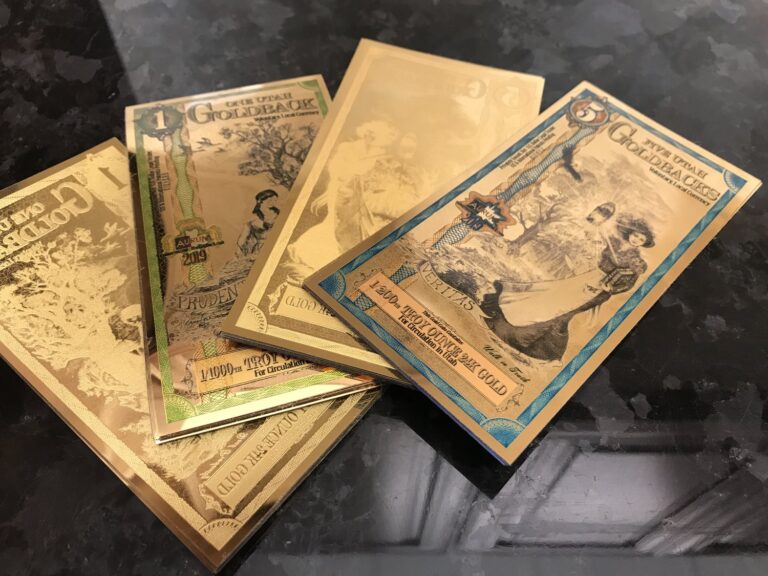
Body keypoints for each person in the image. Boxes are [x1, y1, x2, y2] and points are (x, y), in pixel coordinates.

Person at [481, 212, 653, 362]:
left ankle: (533, 346)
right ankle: (511, 326)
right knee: (551, 299)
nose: (636, 240)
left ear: (644, 243)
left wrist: (610, 289)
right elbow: (596, 238)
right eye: (636, 235)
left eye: (641, 239)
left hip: (599, 290)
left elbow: (629, 283)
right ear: (630, 233)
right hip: (588, 277)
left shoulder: (636, 261)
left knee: (563, 315)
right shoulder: (614, 243)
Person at [237, 189, 279, 256]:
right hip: (259, 249)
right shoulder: (253, 218)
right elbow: (243, 237)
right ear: (261, 201)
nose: (273, 203)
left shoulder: (277, 213)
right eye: (270, 200)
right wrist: (239, 251)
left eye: (275, 200)